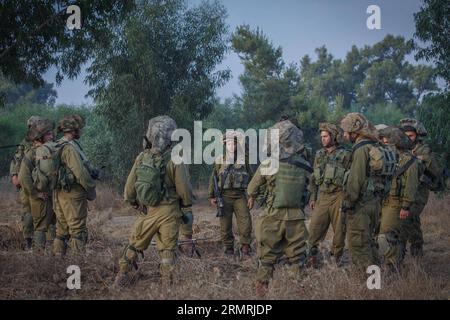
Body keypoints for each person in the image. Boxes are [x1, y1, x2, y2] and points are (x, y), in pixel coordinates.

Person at [115, 116, 193, 287]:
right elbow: (184, 189)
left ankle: (122, 275)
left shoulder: (142, 157)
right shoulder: (175, 158)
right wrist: (186, 204)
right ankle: (167, 284)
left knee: (135, 244)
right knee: (167, 249)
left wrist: (136, 204)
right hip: (169, 211)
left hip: (148, 211)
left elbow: (129, 189)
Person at [247, 119, 310, 297]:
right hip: (296, 218)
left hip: (272, 217)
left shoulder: (269, 163)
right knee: (297, 259)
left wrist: (261, 197)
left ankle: (262, 297)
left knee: (266, 259)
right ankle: (298, 293)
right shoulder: (304, 165)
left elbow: (251, 189)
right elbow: (308, 192)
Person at [340, 113, 383, 269]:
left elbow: (355, 180)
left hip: (361, 206)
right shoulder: (373, 145)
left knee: (359, 246)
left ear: (355, 131)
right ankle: (376, 282)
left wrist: (348, 203)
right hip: (374, 203)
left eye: (346, 132)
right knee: (370, 243)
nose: (344, 135)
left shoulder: (360, 149)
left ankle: (371, 286)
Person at [307, 123, 351, 267]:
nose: (323, 139)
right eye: (321, 137)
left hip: (340, 195)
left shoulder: (346, 154)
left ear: (334, 137)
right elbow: (313, 178)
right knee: (314, 228)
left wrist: (349, 199)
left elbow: (352, 178)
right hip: (323, 196)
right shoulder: (319, 154)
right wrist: (313, 197)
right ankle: (312, 257)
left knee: (339, 232)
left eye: (325, 136)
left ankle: (335, 260)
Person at [53, 115, 97, 255]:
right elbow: (81, 174)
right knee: (78, 232)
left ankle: (56, 265)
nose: (81, 131)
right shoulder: (69, 148)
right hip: (73, 195)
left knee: (62, 231)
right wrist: (91, 189)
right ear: (73, 130)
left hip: (60, 194)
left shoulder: (58, 144)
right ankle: (77, 266)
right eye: (79, 129)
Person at [378, 127, 419, 271]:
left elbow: (411, 186)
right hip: (385, 200)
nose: (385, 142)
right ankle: (392, 263)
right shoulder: (389, 157)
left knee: (388, 235)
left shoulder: (410, 161)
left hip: (397, 203)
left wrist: (405, 206)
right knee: (387, 234)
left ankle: (392, 267)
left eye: (388, 140)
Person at [208, 131, 253, 258]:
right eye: (228, 144)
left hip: (240, 196)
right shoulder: (219, 160)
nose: (231, 147)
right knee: (225, 225)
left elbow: (252, 178)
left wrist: (252, 196)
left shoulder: (244, 159)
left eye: (234, 144)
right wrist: (211, 195)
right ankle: (228, 248)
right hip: (224, 197)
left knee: (245, 222)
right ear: (224, 145)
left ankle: (245, 247)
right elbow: (214, 178)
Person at [399, 118, 439, 257]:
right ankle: (417, 248)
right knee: (412, 221)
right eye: (406, 136)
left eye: (411, 136)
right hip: (407, 191)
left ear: (417, 136)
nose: (408, 139)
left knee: (406, 220)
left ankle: (400, 253)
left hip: (419, 192)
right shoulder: (402, 150)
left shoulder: (424, 151)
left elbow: (432, 173)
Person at [18, 118, 57, 250]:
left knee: (54, 224)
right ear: (40, 137)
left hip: (52, 195)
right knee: (40, 226)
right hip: (41, 196)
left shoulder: (50, 150)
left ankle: (53, 255)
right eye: (48, 134)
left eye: (52, 134)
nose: (52, 136)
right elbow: (23, 177)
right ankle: (39, 256)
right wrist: (36, 193)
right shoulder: (32, 153)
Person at [9, 116, 45, 249]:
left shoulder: (44, 140)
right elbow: (16, 160)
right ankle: (29, 241)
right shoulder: (25, 142)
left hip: (41, 181)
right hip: (27, 182)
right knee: (28, 211)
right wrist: (14, 175)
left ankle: (42, 242)